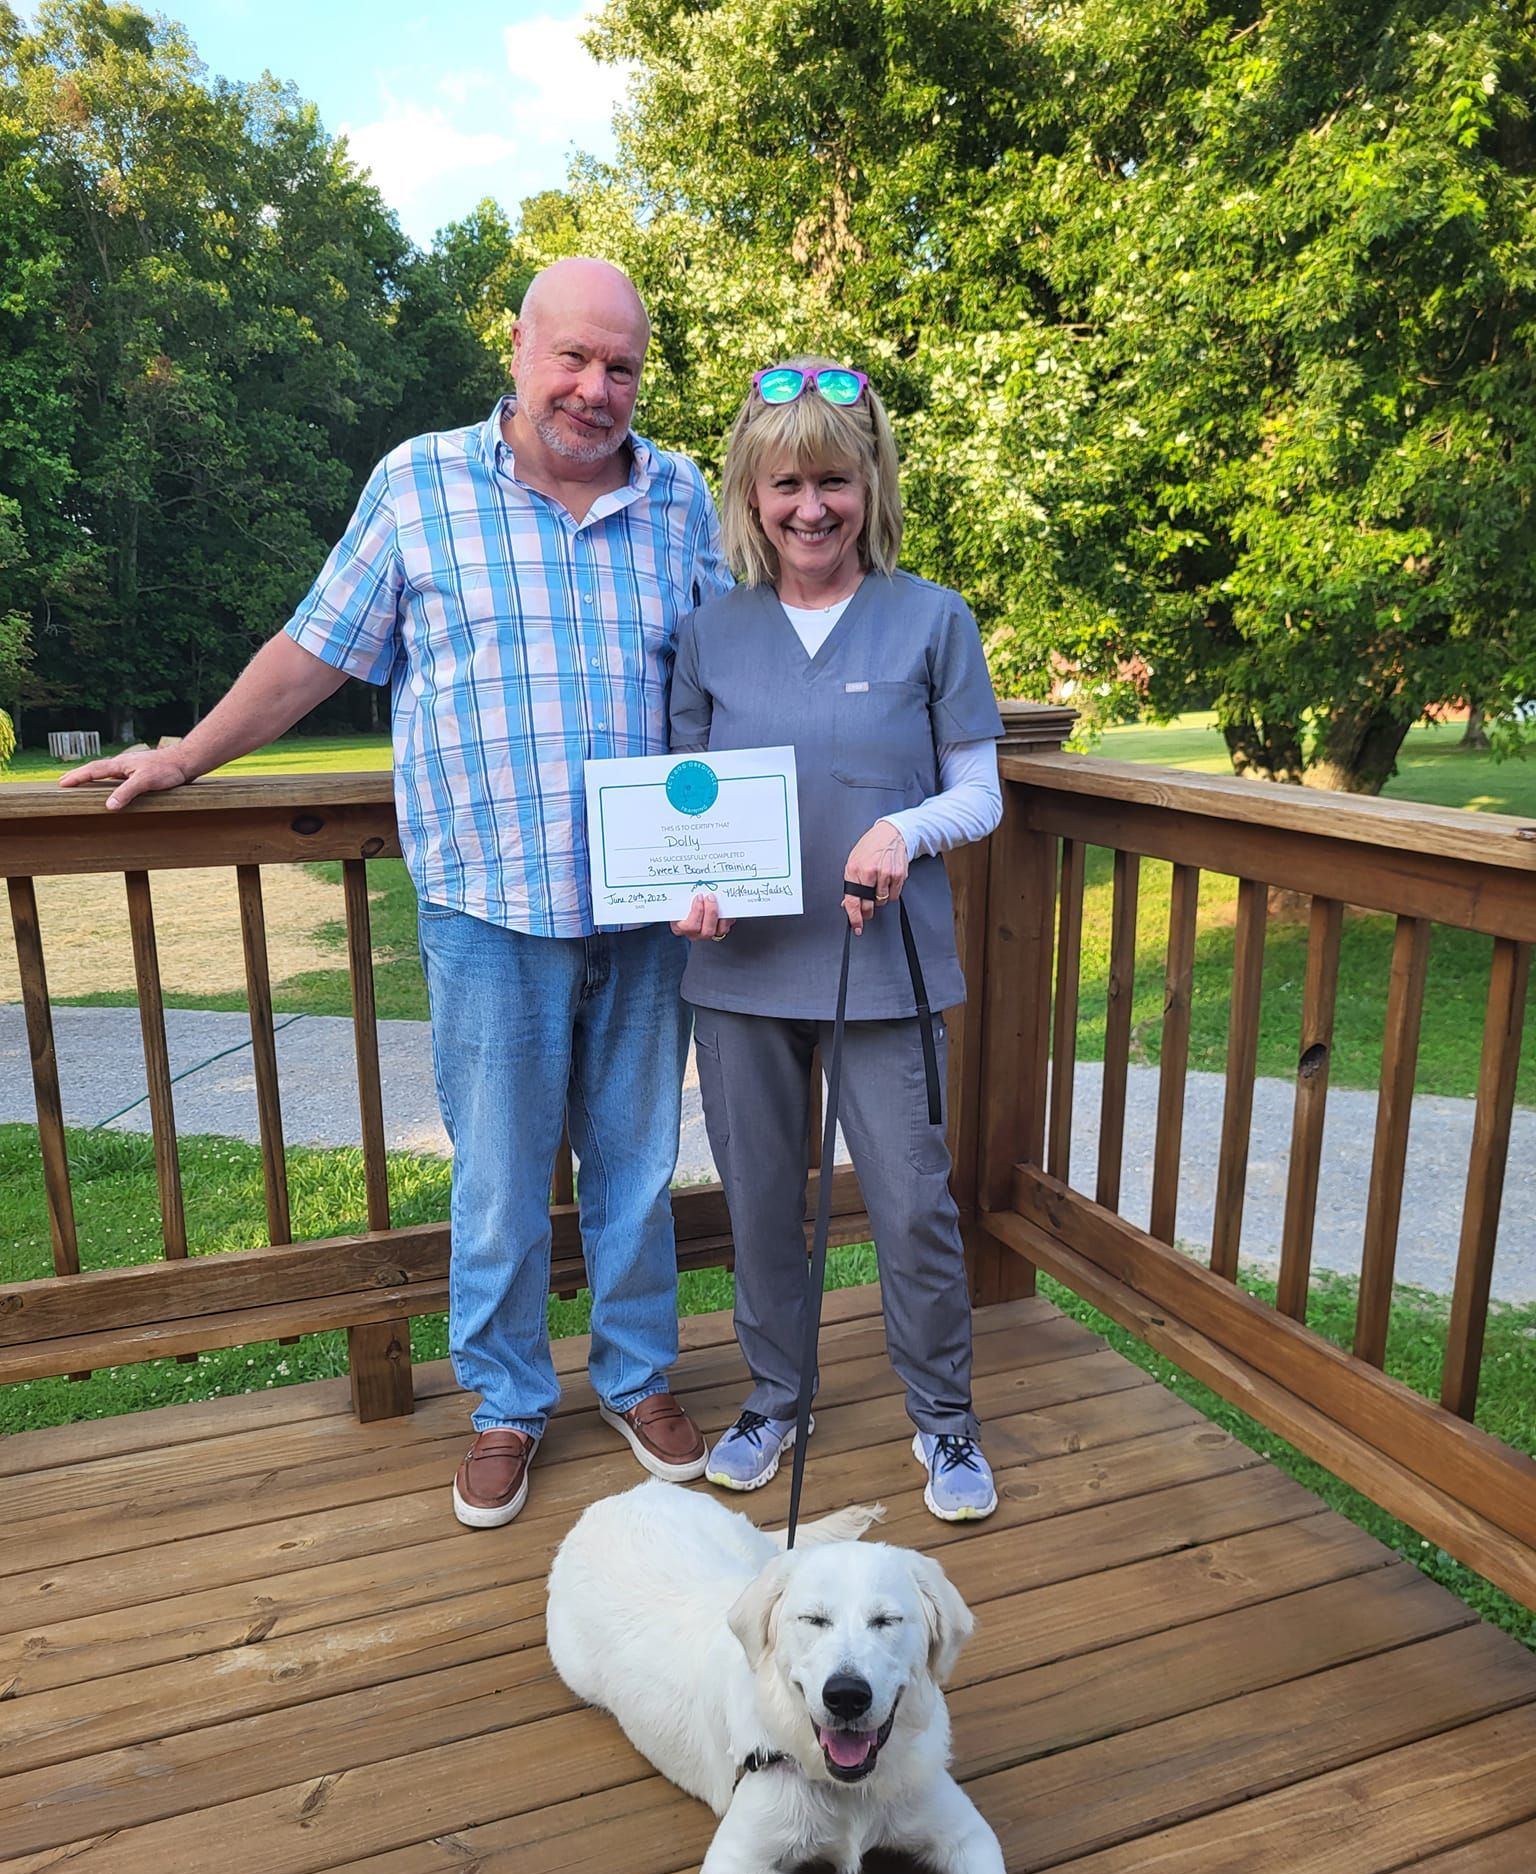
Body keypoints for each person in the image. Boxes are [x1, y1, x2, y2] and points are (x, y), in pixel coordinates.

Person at [63, 257, 732, 1530]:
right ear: (519, 350)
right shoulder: (418, 485)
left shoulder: (685, 494)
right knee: (494, 1177)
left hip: (650, 909)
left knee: (639, 1168)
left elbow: (734, 665)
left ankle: (638, 1378)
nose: (596, 388)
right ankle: (505, 1402)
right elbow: (315, 647)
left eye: (623, 366)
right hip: (490, 901)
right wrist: (188, 752)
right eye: (573, 358)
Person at [669, 359, 1006, 1522]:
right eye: (785, 484)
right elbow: (686, 799)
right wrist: (692, 886)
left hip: (886, 958)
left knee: (912, 1199)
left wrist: (903, 830)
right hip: (743, 970)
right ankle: (777, 1393)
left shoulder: (933, 617)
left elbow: (981, 792)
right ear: (750, 498)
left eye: (833, 480)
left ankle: (945, 1418)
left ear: (871, 483)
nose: (810, 507)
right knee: (761, 1194)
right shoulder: (710, 635)